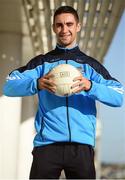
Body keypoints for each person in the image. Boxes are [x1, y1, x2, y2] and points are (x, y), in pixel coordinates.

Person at [3, 6, 124, 179]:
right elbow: (9, 85)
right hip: (47, 145)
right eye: (59, 25)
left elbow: (118, 96)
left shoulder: (90, 66)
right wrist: (36, 83)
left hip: (81, 147)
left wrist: (91, 86)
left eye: (69, 24)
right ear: (53, 28)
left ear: (78, 26)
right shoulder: (42, 63)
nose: (64, 29)